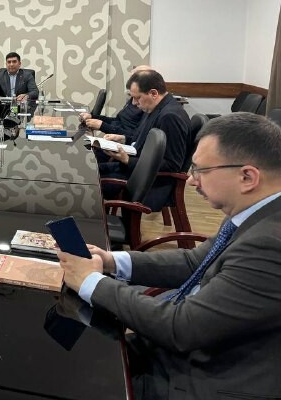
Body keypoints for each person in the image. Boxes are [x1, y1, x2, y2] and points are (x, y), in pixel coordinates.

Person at [58, 112, 281, 399]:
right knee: (73, 358)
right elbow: (194, 262)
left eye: (200, 170)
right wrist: (112, 261)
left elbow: (181, 327)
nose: (191, 180)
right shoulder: (254, 210)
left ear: (247, 177)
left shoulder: (269, 245)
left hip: (199, 377)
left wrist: (91, 282)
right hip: (179, 346)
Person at [98, 70, 190, 210]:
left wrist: (127, 160)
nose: (135, 103)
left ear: (153, 93)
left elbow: (172, 165)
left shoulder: (170, 116)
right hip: (136, 170)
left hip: (150, 183)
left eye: (137, 98)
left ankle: (98, 222)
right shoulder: (155, 108)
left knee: (89, 183)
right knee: (92, 170)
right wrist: (122, 138)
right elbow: (143, 141)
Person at [80, 65, 150, 137]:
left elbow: (134, 137)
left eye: (133, 79)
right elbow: (117, 121)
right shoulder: (132, 98)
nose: (130, 82)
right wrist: (92, 117)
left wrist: (102, 126)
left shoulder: (145, 106)